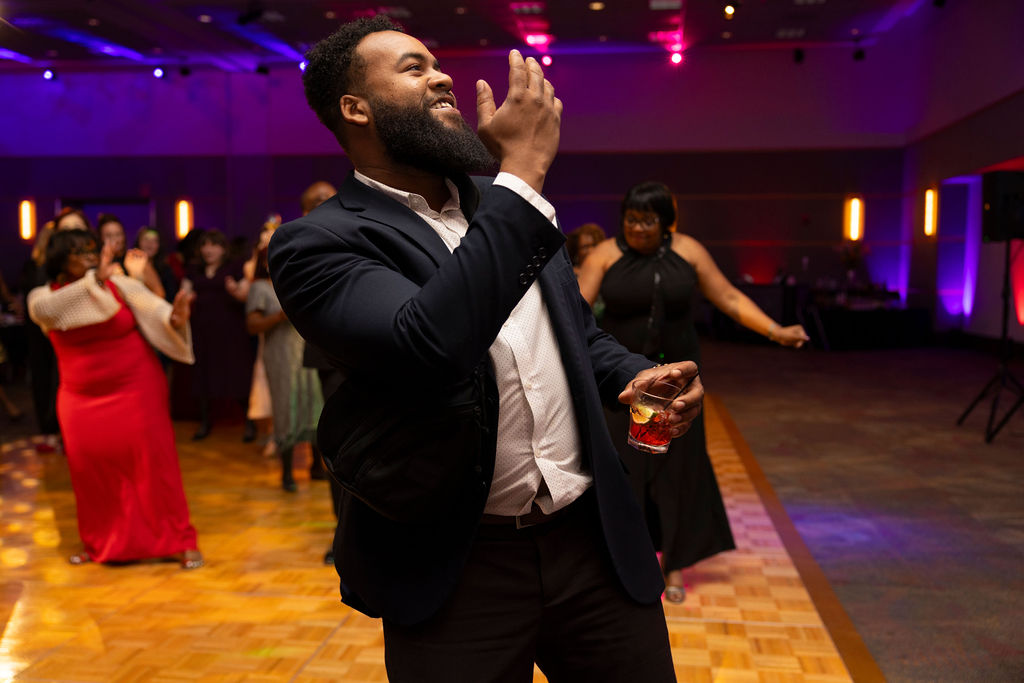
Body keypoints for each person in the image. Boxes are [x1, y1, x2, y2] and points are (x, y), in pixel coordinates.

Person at [268, 17, 704, 682]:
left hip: (591, 543)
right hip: (457, 567)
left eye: (436, 63)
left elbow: (573, 333)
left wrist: (639, 374)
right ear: (356, 108)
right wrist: (522, 173)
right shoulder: (318, 243)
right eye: (413, 68)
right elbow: (428, 345)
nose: (442, 76)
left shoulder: (503, 209)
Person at [577, 181, 809, 602]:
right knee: (628, 471)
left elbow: (729, 298)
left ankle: (675, 564)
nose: (638, 228)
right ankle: (629, 560)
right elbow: (575, 312)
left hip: (678, 385)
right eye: (631, 219)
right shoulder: (605, 255)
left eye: (648, 220)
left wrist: (775, 331)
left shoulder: (689, 251)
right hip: (624, 384)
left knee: (677, 473)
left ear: (666, 222)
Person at [27, 229, 203, 569]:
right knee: (91, 473)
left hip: (136, 388)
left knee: (154, 465)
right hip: (80, 398)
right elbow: (47, 311)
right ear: (60, 260)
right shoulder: (43, 296)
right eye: (80, 251)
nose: (90, 257)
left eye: (92, 250)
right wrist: (94, 280)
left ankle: (179, 541)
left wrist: (175, 317)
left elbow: (156, 310)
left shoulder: (118, 285)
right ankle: (97, 542)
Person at [246, 238, 322, 492]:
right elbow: (252, 325)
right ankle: (287, 473)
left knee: (313, 403)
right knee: (286, 406)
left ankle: (316, 466)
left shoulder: (299, 283)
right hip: (280, 354)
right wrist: (279, 316)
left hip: (306, 352)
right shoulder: (260, 288)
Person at [182, 229, 256, 441]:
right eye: (204, 245)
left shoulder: (235, 267)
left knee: (237, 375)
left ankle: (249, 422)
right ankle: (205, 423)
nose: (208, 249)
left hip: (231, 333)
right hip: (202, 332)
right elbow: (184, 293)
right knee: (203, 377)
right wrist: (186, 298)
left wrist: (235, 291)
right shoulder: (194, 269)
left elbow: (246, 295)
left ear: (223, 249)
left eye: (214, 245)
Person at [17, 221, 61, 450]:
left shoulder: (38, 266)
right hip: (43, 332)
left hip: (48, 332)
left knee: (50, 379)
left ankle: (53, 429)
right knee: (47, 378)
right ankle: (50, 428)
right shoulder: (37, 267)